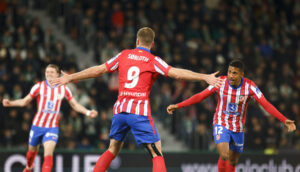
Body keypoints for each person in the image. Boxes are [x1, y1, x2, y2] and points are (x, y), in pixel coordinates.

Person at [51, 27, 224, 172]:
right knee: (157, 153)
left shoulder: (123, 55)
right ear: (152, 43)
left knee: (112, 149)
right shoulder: (152, 60)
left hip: (120, 111)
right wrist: (204, 77)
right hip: (138, 112)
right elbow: (177, 73)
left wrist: (71, 77)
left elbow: (98, 70)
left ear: (137, 41)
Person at [167, 59, 296, 172]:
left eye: (234, 73)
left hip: (238, 128)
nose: (231, 75)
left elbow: (266, 104)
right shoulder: (220, 82)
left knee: (233, 162)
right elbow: (200, 96)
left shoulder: (250, 87)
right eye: (229, 72)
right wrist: (179, 105)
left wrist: (284, 120)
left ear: (241, 74)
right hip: (221, 122)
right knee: (224, 154)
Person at [2, 64, 98, 172]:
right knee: (30, 154)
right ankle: (29, 167)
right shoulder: (39, 86)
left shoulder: (64, 89)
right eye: (47, 72)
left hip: (52, 127)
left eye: (52, 72)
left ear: (57, 74)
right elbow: (25, 101)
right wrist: (11, 103)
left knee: (48, 154)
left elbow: (75, 105)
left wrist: (88, 112)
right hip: (37, 126)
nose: (49, 74)